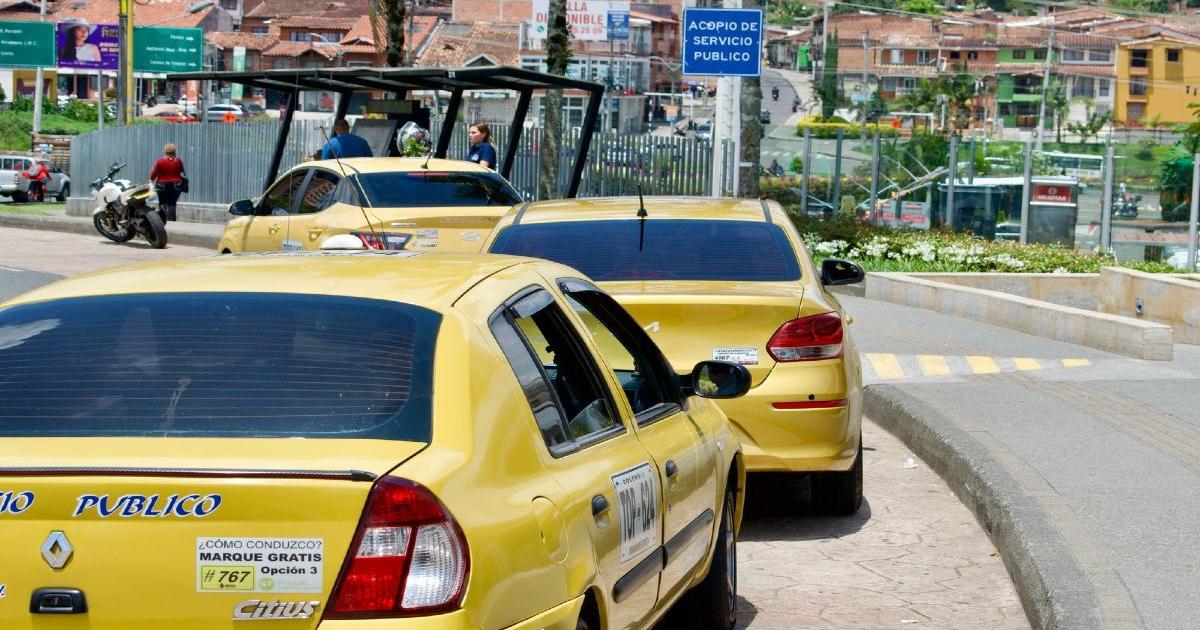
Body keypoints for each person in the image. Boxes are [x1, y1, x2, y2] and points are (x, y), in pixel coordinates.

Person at [150, 143, 186, 222]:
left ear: (165, 151)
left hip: (162, 185)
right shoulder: (178, 161)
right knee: (172, 203)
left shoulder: (160, 161)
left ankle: (162, 221)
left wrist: (151, 179)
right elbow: (182, 173)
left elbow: (154, 173)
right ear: (174, 151)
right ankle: (171, 222)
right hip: (176, 185)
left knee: (162, 203)